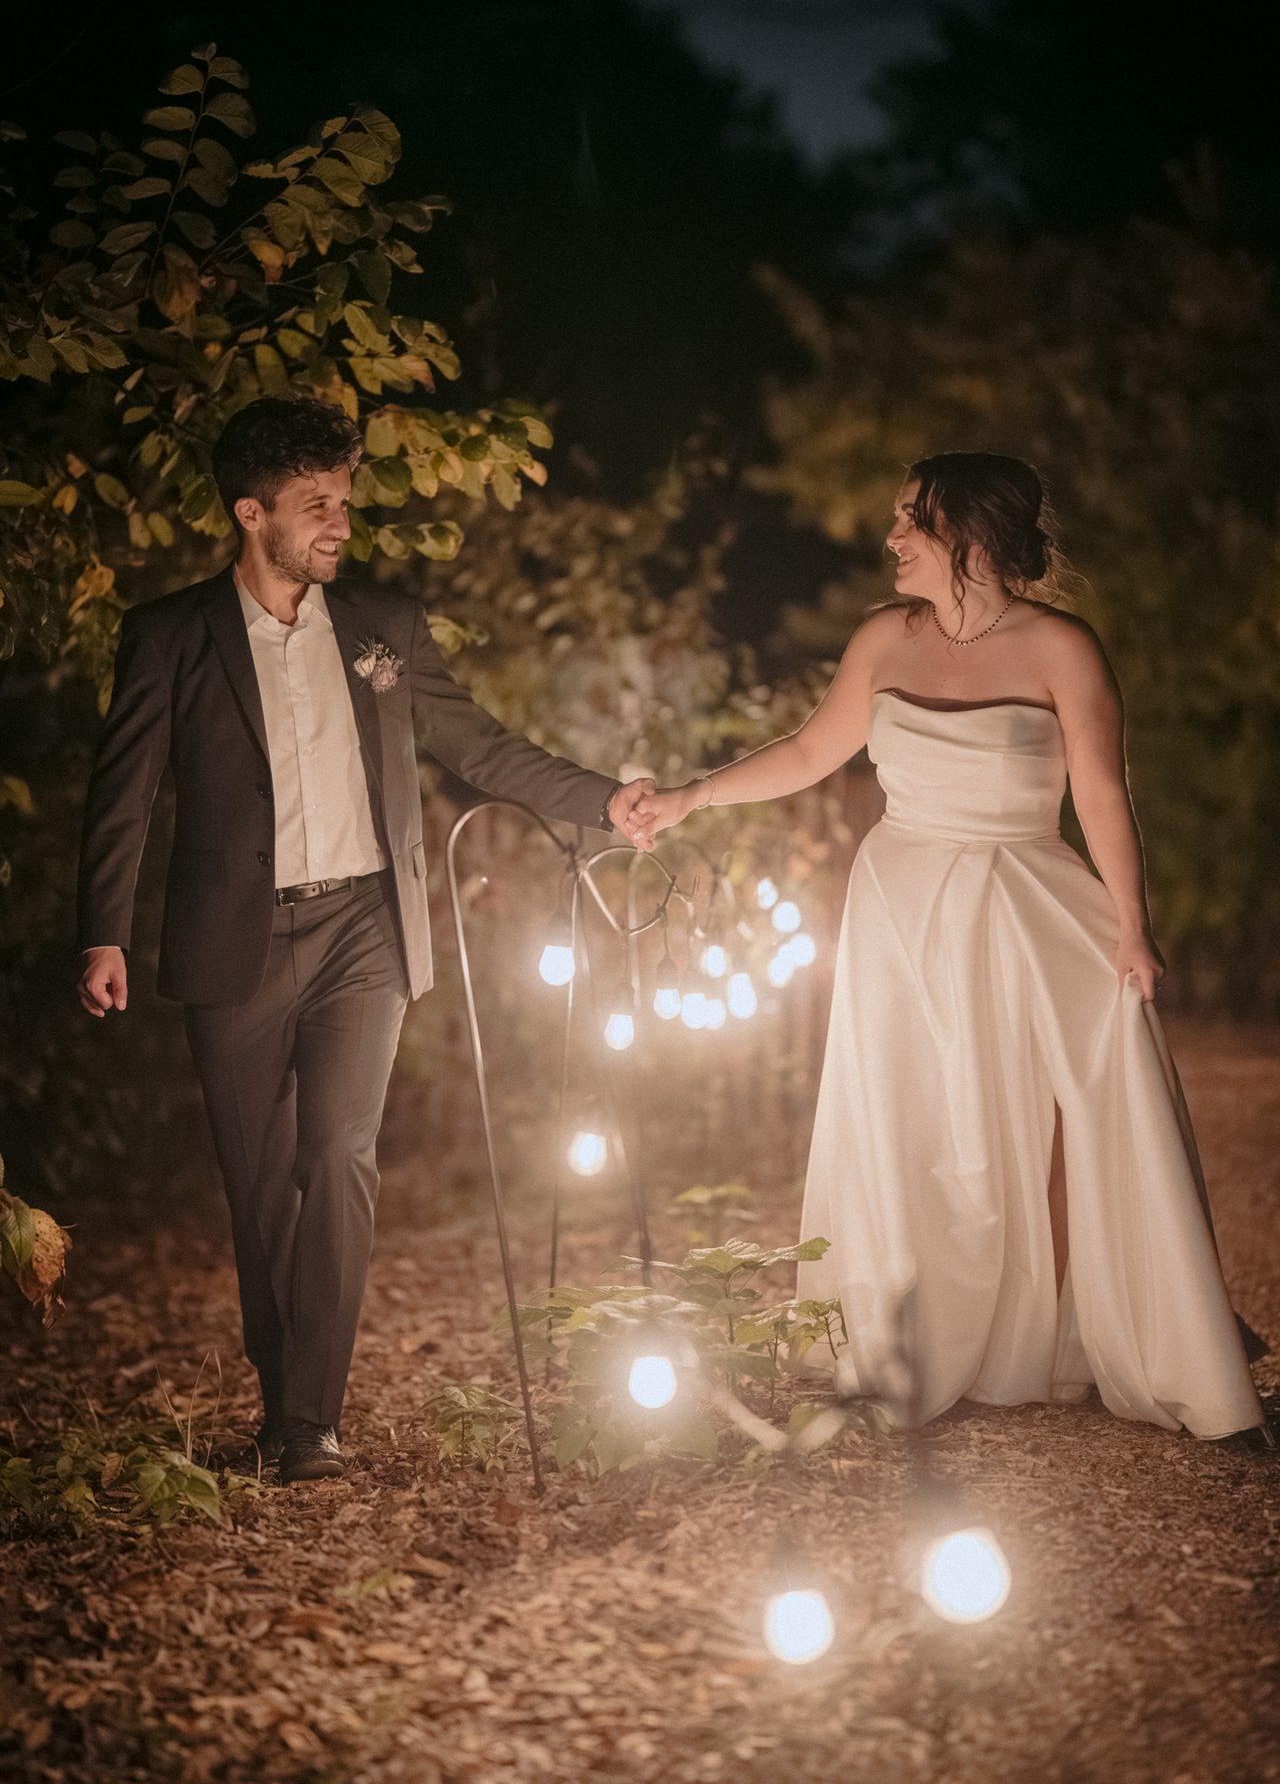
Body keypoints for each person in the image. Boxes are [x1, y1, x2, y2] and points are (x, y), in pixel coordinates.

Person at [634, 452, 1273, 1445]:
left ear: (965, 536)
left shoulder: (1061, 647)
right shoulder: (881, 641)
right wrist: (687, 799)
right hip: (904, 904)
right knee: (914, 1113)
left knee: (1090, 1099)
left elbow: (1101, 798)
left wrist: (1133, 928)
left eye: (909, 522)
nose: (890, 539)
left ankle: (1141, 1331)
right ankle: (912, 1340)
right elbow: (809, 752)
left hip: (1030, 898)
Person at [75, 395, 657, 1486]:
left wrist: (601, 801)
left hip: (364, 930)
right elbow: (124, 795)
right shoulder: (168, 636)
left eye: (344, 499)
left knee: (339, 1157)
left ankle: (310, 1424)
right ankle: (281, 1387)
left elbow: (478, 744)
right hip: (233, 941)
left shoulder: (384, 628)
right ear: (253, 514)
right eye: (315, 504)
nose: (339, 521)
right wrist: (100, 933)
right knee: (260, 1186)